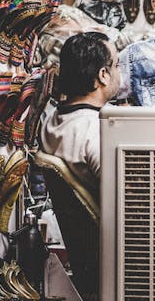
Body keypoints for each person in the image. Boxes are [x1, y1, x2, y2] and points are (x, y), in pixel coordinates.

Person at [40, 31, 120, 194]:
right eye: (117, 66)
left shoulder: (52, 118)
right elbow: (124, 195)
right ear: (103, 75)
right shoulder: (96, 133)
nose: (120, 72)